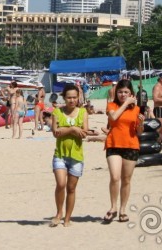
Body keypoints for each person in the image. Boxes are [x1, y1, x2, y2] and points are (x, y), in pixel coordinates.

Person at [103, 78, 144, 224]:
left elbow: (138, 132)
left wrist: (141, 122)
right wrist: (126, 104)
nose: (123, 95)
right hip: (114, 144)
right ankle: (113, 207)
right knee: (115, 177)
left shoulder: (136, 109)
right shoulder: (111, 105)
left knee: (126, 179)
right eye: (120, 92)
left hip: (131, 145)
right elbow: (113, 117)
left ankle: (123, 210)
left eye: (126, 92)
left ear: (131, 93)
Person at [50, 84, 88, 227]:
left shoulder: (83, 112)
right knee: (61, 184)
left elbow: (84, 132)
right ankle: (58, 213)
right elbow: (55, 132)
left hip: (76, 156)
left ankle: (67, 218)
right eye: (69, 97)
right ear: (64, 98)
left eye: (74, 97)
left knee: (71, 188)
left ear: (78, 97)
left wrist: (66, 130)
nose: (71, 100)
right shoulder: (57, 112)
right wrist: (72, 129)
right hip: (60, 154)